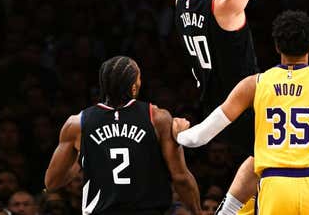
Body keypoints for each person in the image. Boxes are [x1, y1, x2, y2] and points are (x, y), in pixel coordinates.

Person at [177, 10, 309, 215]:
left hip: (275, 184)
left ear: (277, 46)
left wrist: (178, 133)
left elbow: (199, 137)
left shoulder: (254, 84)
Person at [174, 0, 271, 214]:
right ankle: (227, 210)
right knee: (268, 164)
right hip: (243, 106)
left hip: (211, 99)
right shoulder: (225, 3)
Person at [45, 56, 201, 215]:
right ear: (134, 87)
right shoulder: (157, 118)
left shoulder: (77, 123)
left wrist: (83, 156)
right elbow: (180, 177)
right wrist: (198, 212)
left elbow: (52, 182)